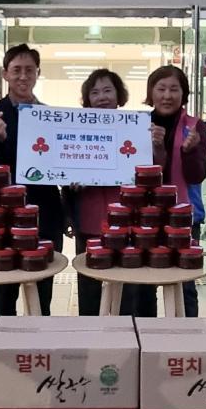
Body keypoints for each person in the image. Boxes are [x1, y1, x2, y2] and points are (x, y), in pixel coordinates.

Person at [0, 43, 64, 315]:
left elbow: (60, 161)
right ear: (5, 74)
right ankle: (4, 336)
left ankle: (41, 336)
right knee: (5, 290)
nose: (23, 76)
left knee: (43, 288)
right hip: (6, 212)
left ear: (38, 73)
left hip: (45, 210)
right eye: (16, 70)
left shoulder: (51, 115)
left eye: (29, 70)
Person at [137, 65, 206, 318]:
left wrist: (190, 151)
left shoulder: (195, 127)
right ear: (151, 92)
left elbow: (197, 175)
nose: (167, 95)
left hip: (183, 217)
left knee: (184, 283)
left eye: (174, 89)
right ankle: (145, 334)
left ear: (183, 94)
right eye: (161, 88)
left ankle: (185, 335)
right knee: (143, 283)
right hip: (145, 217)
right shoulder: (138, 125)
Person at [66, 68, 132, 315]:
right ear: (87, 99)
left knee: (127, 285)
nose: (102, 97)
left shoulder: (134, 129)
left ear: (118, 95)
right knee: (89, 286)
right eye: (94, 92)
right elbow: (63, 167)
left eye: (107, 90)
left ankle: (125, 331)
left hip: (126, 222)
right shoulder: (75, 130)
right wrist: (70, 181)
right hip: (88, 219)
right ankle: (90, 331)